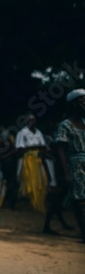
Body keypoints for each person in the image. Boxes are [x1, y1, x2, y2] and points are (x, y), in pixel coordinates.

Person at [55, 88, 85, 243]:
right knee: (79, 200)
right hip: (75, 164)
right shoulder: (65, 125)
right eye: (82, 100)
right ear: (74, 104)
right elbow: (60, 150)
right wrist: (65, 173)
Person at [15, 112, 49, 212]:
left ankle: (39, 201)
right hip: (28, 160)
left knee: (41, 180)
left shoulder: (38, 132)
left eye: (33, 120)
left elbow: (43, 146)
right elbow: (20, 149)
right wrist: (34, 148)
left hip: (38, 159)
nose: (31, 122)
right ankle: (28, 203)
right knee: (29, 180)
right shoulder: (22, 132)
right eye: (29, 120)